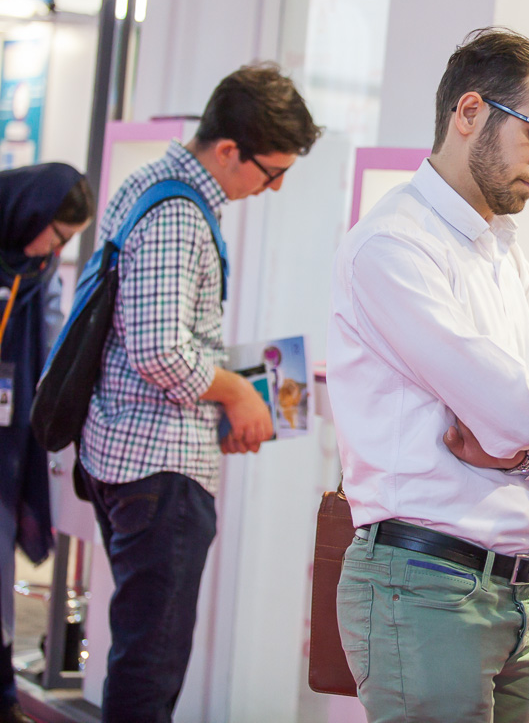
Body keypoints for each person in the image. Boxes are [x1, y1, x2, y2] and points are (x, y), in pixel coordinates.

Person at [326, 28, 529, 723]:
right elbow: (516, 410)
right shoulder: (393, 246)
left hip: (518, 588)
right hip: (425, 585)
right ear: (470, 112)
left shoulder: (501, 250)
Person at [78, 63, 320, 722]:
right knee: (150, 665)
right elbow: (158, 349)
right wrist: (237, 394)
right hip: (158, 468)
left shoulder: (149, 184)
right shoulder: (180, 214)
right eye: (271, 172)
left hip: (129, 453)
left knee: (142, 651)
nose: (272, 188)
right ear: (228, 150)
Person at [0, 163, 93, 723]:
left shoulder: (38, 269)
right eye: (55, 235)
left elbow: (53, 337)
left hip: (8, 439)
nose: (53, 250)